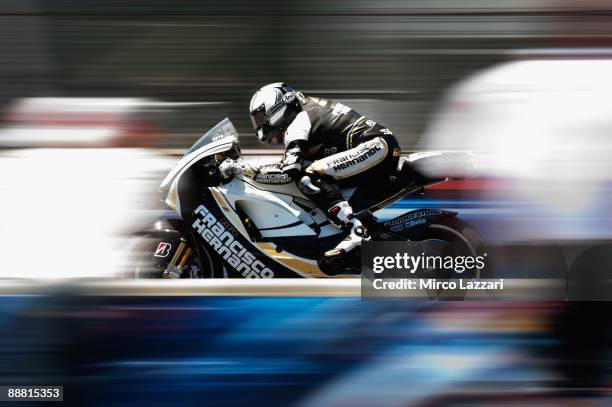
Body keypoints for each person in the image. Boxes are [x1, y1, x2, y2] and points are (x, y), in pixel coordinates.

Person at [219, 83, 401, 259]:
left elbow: (290, 169)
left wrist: (243, 169)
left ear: (276, 109)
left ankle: (355, 230)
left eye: (261, 117)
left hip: (375, 147)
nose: (260, 124)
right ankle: (371, 229)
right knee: (312, 171)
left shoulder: (299, 121)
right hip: (377, 146)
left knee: (309, 176)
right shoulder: (306, 110)